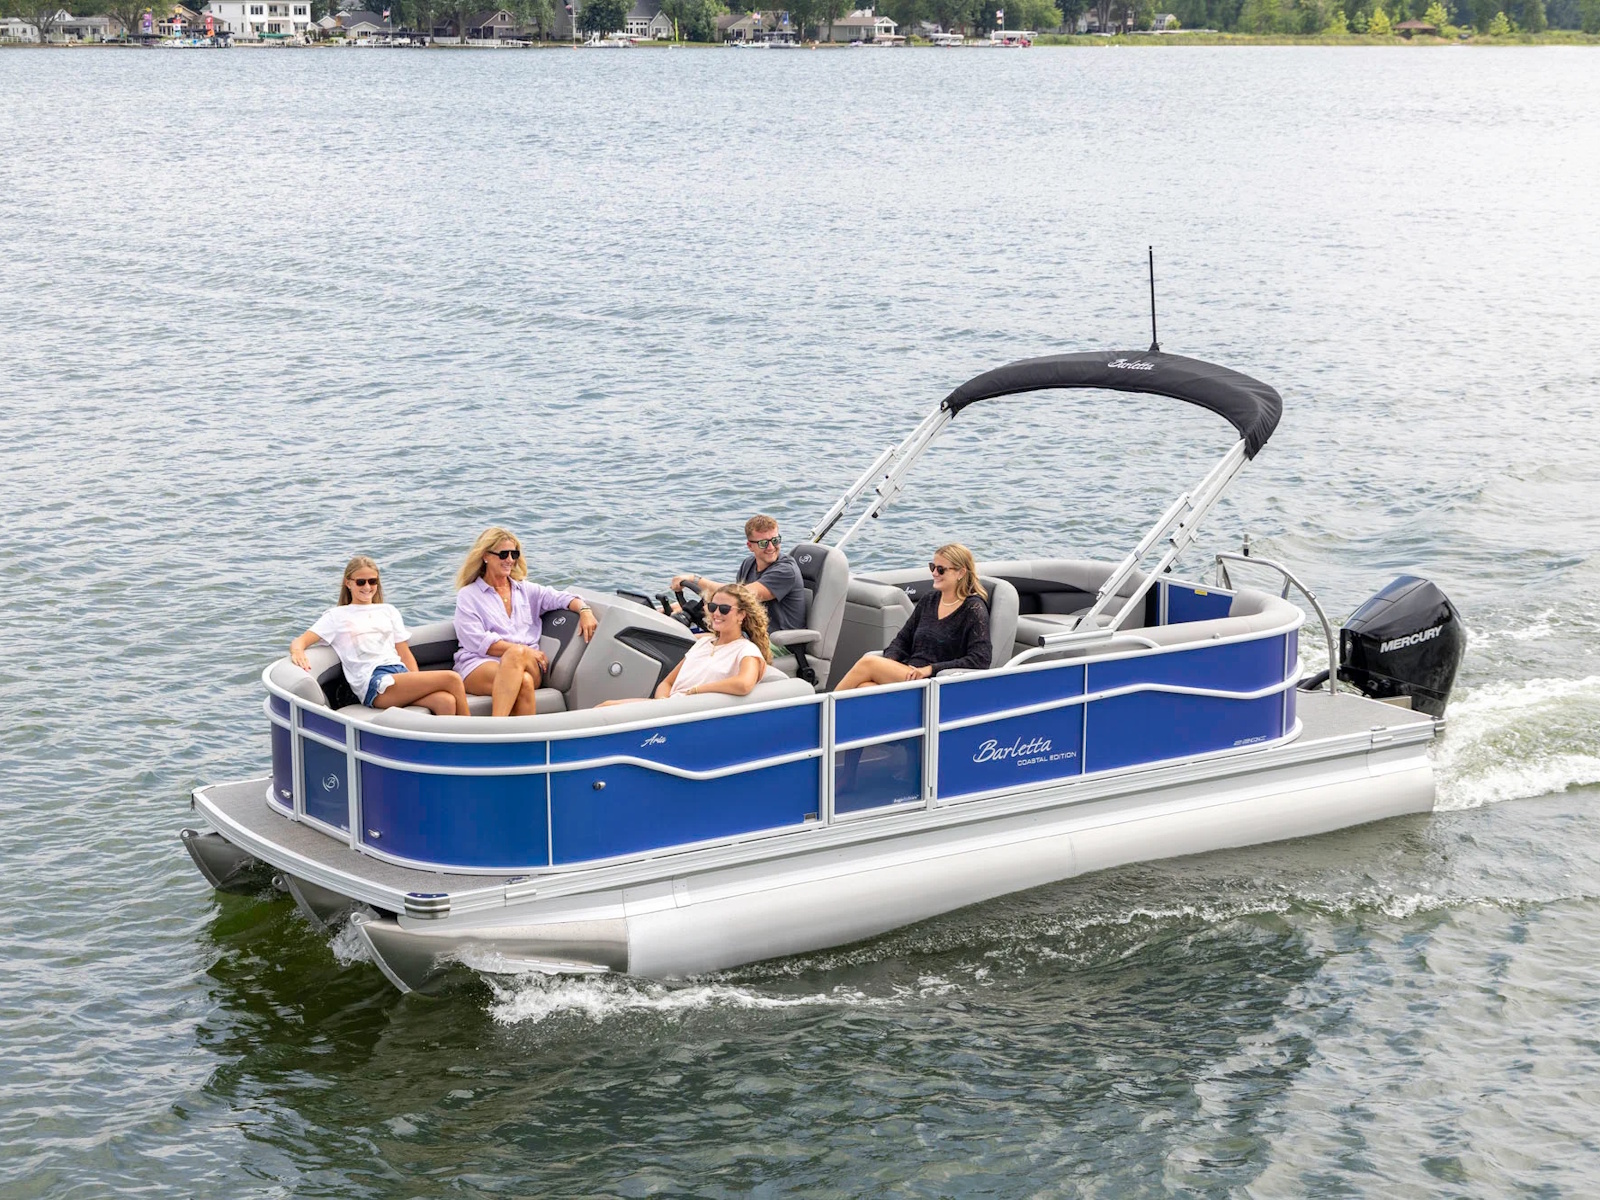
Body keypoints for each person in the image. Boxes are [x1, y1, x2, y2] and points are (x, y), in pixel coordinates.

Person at [289, 556, 471, 717]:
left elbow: (404, 653)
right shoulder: (337, 616)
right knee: (452, 678)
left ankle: (446, 745)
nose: (367, 587)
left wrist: (416, 682)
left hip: (399, 674)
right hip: (374, 681)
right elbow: (301, 641)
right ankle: (470, 736)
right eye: (361, 582)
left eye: (372, 581)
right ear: (348, 583)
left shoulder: (388, 611)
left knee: (446, 701)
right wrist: (297, 651)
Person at [453, 526, 599, 718]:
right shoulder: (468, 595)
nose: (510, 560)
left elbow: (562, 598)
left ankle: (495, 727)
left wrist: (584, 610)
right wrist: (522, 650)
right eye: (504, 554)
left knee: (517, 656)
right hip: (480, 663)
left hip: (528, 662)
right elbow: (474, 640)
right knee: (524, 682)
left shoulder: (527, 591)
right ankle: (517, 735)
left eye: (514, 554)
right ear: (485, 556)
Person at [834, 543, 992, 690]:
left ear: (961, 573)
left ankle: (825, 708)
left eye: (941, 569)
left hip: (936, 681)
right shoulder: (929, 600)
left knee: (868, 663)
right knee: (865, 686)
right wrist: (889, 662)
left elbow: (980, 659)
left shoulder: (973, 609)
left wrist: (931, 669)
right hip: (910, 673)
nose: (934, 573)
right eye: (932, 567)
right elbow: (902, 640)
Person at [599, 583, 775, 706]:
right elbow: (666, 684)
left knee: (607, 708)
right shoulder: (704, 643)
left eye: (724, 609)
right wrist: (663, 704)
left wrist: (697, 691)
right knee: (605, 706)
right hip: (670, 708)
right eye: (712, 607)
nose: (716, 613)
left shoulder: (746, 650)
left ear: (741, 615)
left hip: (691, 712)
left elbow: (744, 684)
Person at [671, 513, 805, 635]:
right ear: (750, 546)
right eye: (763, 543)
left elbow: (738, 595)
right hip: (749, 631)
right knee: (683, 635)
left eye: (775, 540)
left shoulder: (786, 571)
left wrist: (694, 579)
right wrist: (689, 608)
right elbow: (732, 601)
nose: (771, 547)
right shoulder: (748, 564)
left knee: (697, 643)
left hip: (776, 641)